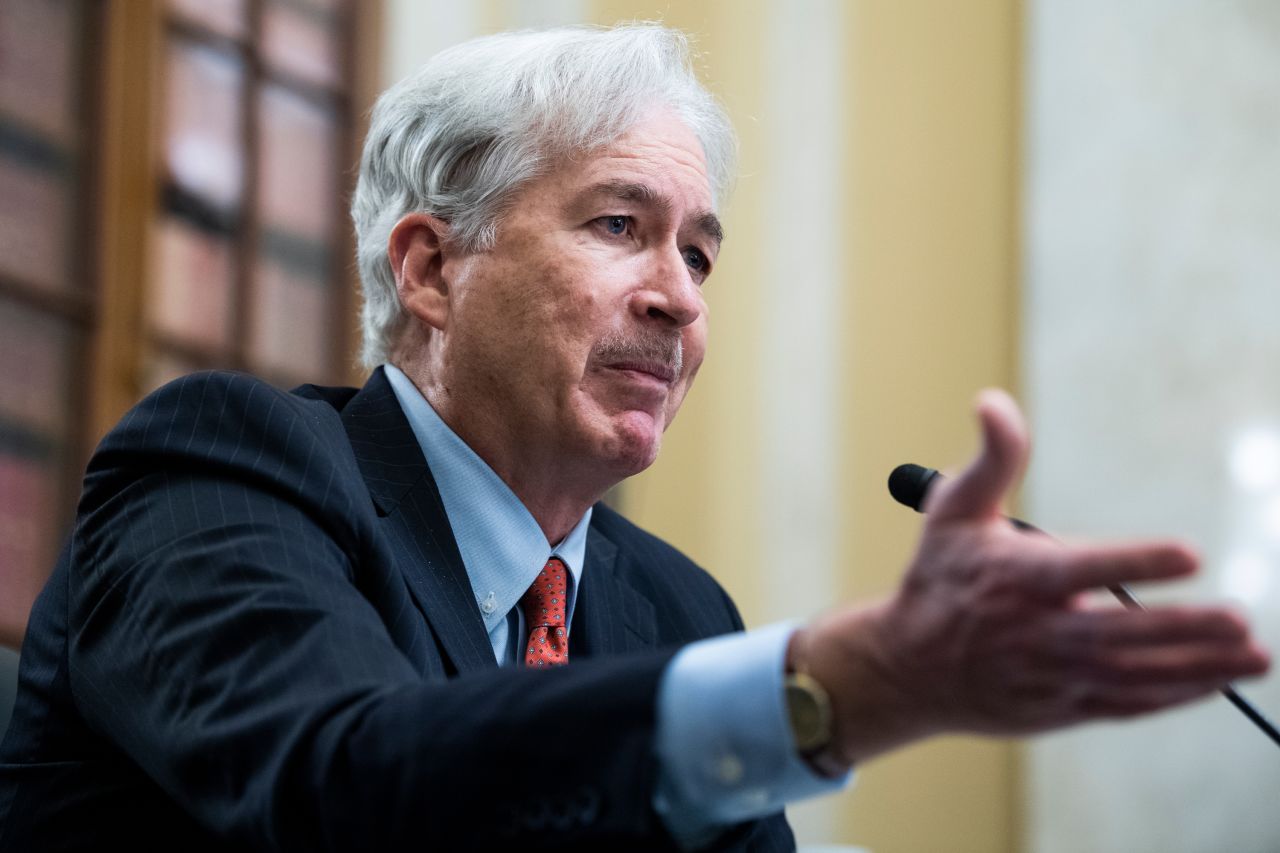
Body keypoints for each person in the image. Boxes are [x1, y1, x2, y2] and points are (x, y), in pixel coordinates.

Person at [0, 24, 1269, 852]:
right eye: (619, 226)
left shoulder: (669, 607)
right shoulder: (225, 473)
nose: (679, 296)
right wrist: (842, 687)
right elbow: (344, 789)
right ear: (433, 268)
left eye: (699, 251)